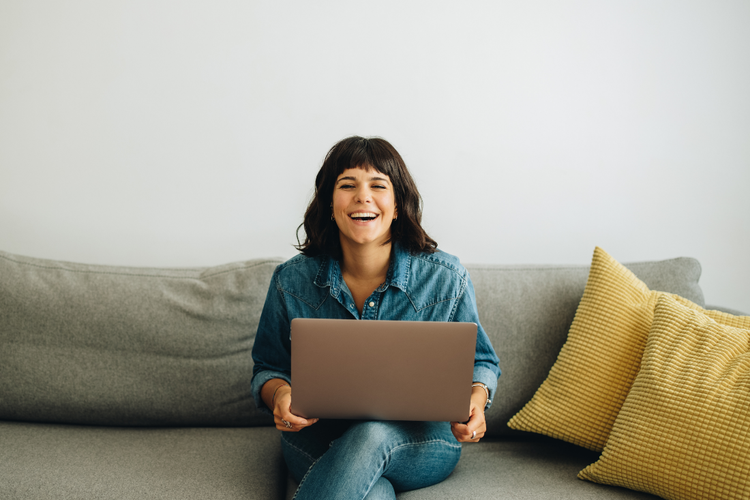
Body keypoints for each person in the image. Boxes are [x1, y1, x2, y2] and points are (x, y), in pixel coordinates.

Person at [251, 136, 501, 500]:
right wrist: (281, 395)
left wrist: (476, 401)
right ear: (329, 203)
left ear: (397, 205)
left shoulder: (445, 277)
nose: (362, 196)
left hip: (420, 439)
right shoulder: (291, 280)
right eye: (347, 185)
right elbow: (268, 366)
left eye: (378, 185)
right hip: (319, 438)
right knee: (373, 493)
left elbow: (482, 361)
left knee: (371, 434)